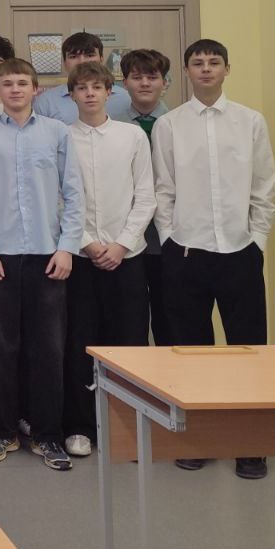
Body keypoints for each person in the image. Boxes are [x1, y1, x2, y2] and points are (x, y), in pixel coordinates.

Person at [153, 39, 275, 480]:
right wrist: (169, 240)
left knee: (248, 349)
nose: (206, 68)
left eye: (214, 62)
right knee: (192, 352)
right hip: (186, 252)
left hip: (240, 252)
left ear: (227, 68)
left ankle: (250, 446)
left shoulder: (250, 121)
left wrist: (257, 240)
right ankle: (199, 440)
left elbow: (264, 185)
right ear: (186, 71)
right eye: (197, 62)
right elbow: (163, 189)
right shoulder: (169, 125)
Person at [0, 57, 83, 471]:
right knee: (0, 348)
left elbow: (74, 193)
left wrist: (67, 248)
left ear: (36, 89)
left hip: (49, 256)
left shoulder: (57, 132)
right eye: (7, 83)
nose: (14, 89)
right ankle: (2, 431)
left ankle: (48, 435)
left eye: (22, 83)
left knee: (48, 349)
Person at [62, 61, 154, 459]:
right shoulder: (62, 138)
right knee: (80, 342)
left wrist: (121, 245)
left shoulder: (131, 136)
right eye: (81, 88)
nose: (89, 94)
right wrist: (86, 243)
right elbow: (58, 198)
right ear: (72, 95)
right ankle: (81, 426)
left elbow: (146, 196)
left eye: (96, 87)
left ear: (109, 92)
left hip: (126, 257)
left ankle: (127, 428)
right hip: (81, 258)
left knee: (129, 342)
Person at [114, 48, 173, 345]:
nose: (145, 83)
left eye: (152, 77)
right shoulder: (111, 125)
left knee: (170, 321)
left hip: (169, 239)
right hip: (125, 241)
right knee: (129, 323)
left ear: (165, 82)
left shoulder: (179, 123)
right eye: (137, 77)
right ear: (124, 82)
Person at [34, 32, 131, 123]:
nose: (82, 62)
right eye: (73, 56)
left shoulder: (126, 98)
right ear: (64, 63)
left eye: (89, 55)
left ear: (101, 59)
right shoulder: (46, 102)